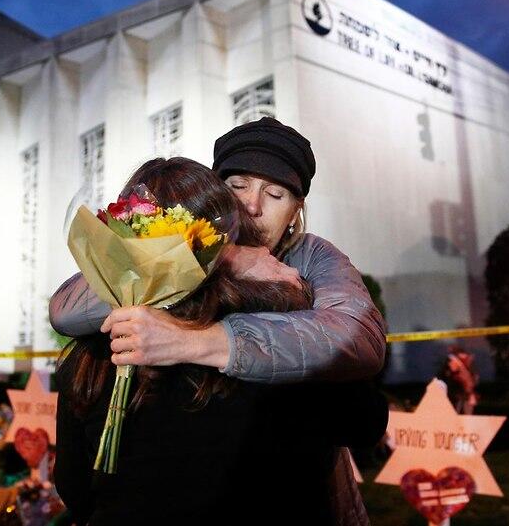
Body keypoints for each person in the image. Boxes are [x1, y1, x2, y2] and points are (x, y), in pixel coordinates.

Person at [51, 117, 387, 524]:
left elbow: (358, 341)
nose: (251, 206)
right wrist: (214, 261)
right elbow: (65, 308)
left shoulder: (307, 272)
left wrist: (196, 340)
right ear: (210, 198)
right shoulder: (114, 330)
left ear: (297, 210)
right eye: (237, 187)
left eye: (275, 193)